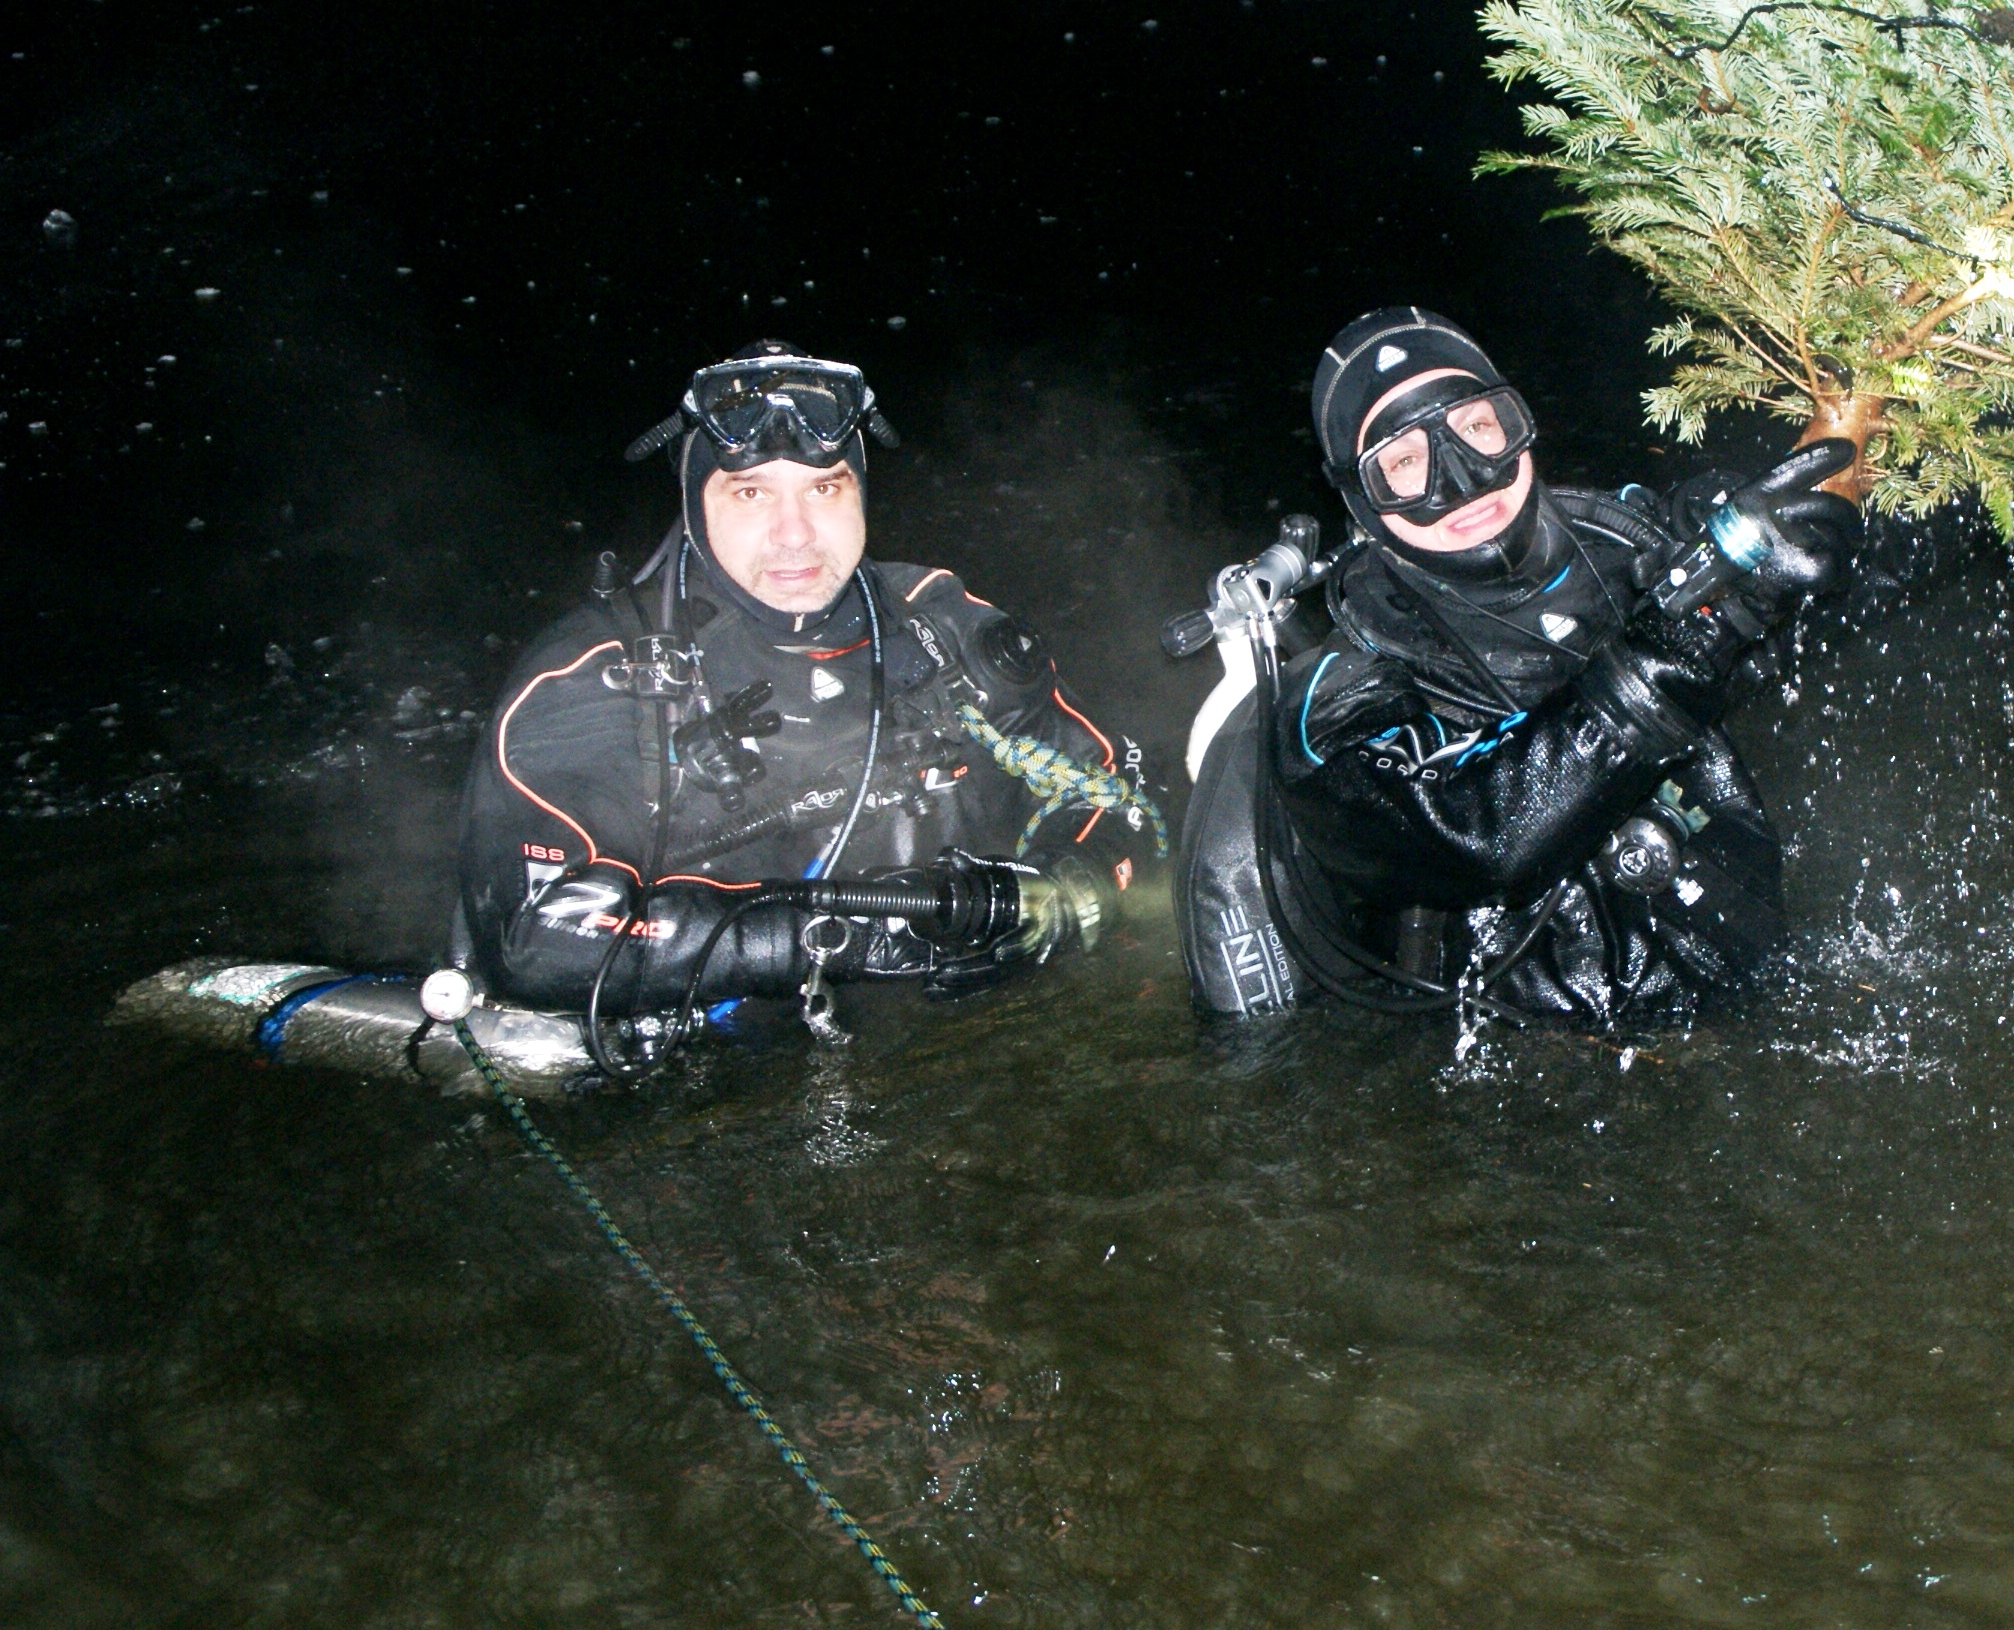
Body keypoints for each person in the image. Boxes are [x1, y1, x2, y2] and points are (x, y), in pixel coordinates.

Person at [455, 341, 1154, 1066]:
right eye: (751, 493)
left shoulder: (944, 627)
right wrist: (843, 939)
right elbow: (535, 938)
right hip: (716, 1077)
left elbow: (1125, 796)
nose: (795, 534)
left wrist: (1062, 893)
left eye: (825, 489)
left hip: (959, 1058)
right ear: (695, 505)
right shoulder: (595, 674)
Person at [1177, 306, 1858, 1031]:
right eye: (1404, 464)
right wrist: (1689, 638)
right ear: (1358, 496)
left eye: (1477, 426)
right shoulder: (1333, 707)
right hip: (1537, 1065)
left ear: (1519, 423)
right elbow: (1480, 841)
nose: (1462, 479)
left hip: (1760, 999)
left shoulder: (1637, 545)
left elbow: (1863, 603)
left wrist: (1820, 538)